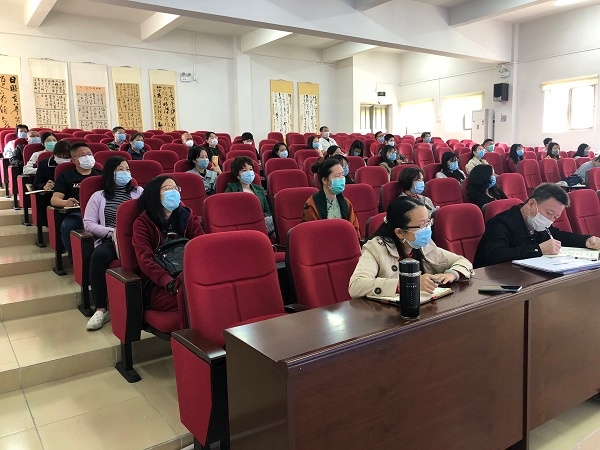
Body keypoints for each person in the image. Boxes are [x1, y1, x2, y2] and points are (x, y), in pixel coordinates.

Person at [348, 197, 472, 299]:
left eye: (428, 223)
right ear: (400, 232)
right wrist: (408, 283)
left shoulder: (424, 244)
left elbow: (461, 261)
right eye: (422, 225)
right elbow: (356, 286)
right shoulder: (376, 248)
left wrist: (452, 274)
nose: (427, 229)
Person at [473, 183, 600, 268]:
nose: (550, 220)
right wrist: (538, 249)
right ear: (531, 204)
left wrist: (586, 241)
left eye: (555, 217)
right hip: (494, 282)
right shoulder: (500, 223)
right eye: (549, 213)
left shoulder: (537, 222)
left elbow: (558, 235)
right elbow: (495, 255)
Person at [84, 156, 143, 330]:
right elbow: (88, 223)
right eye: (120, 169)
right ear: (111, 173)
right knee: (99, 256)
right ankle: (101, 309)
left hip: (137, 236)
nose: (126, 173)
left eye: (128, 169)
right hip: (112, 239)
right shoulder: (98, 196)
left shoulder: (139, 192)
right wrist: (112, 232)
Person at [132, 175, 204, 312]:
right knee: (194, 298)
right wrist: (167, 281)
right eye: (167, 188)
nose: (173, 192)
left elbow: (202, 245)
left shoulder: (186, 216)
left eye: (175, 188)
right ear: (154, 195)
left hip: (190, 275)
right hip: (160, 284)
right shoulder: (142, 223)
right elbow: (145, 260)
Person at [50, 143, 102, 259]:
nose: (88, 157)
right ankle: (76, 260)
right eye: (83, 155)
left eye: (89, 154)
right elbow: (54, 200)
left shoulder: (100, 175)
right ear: (74, 160)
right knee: (68, 225)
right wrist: (66, 203)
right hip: (78, 212)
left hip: (100, 211)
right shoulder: (66, 176)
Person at [302, 158, 361, 239]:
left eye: (342, 175)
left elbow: (354, 230)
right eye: (338, 176)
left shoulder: (346, 203)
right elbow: (311, 234)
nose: (342, 179)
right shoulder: (312, 205)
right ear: (325, 180)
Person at [225, 156, 274, 235]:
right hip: (242, 224)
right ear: (237, 175)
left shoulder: (260, 189)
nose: (249, 172)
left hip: (260, 222)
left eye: (251, 169)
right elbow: (227, 210)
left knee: (276, 221)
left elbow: (267, 211)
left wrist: (264, 217)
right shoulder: (231, 188)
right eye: (244, 170)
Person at [32, 140, 72, 227]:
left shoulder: (74, 164)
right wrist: (44, 186)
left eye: (67, 157)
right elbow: (36, 183)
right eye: (60, 156)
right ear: (54, 154)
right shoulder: (44, 164)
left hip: (70, 194)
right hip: (51, 195)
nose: (64, 159)